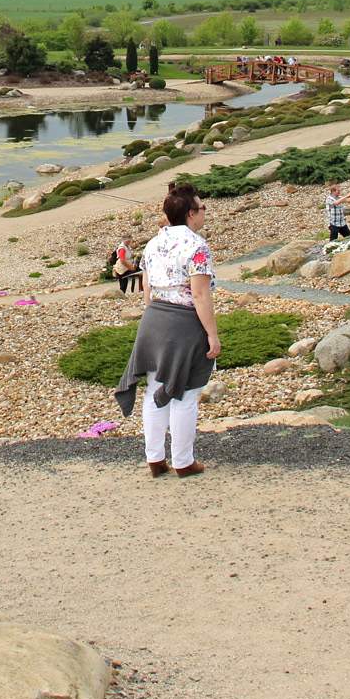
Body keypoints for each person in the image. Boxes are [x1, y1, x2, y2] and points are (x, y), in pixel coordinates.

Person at [114, 183, 220, 478]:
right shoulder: (197, 246)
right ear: (190, 214)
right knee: (185, 394)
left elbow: (147, 290)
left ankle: (155, 459)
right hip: (184, 322)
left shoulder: (153, 243)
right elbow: (200, 295)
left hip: (153, 320)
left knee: (154, 390)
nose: (203, 212)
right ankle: (184, 462)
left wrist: (155, 314)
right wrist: (212, 334)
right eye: (201, 208)